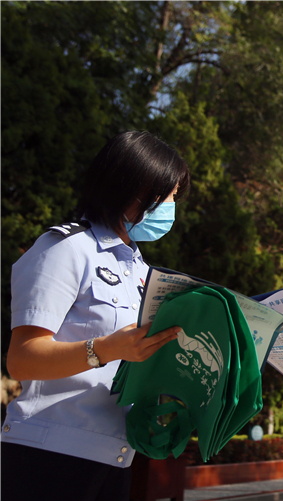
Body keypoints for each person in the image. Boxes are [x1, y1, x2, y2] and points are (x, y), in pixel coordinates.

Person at [1, 131, 190, 501]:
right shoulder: (67, 249)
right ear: (129, 186)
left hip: (115, 457)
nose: (171, 207)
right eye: (165, 195)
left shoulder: (141, 272)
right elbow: (21, 359)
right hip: (48, 455)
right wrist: (105, 349)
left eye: (174, 197)